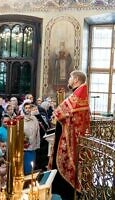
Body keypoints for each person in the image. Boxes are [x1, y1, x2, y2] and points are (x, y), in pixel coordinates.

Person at [50, 70, 90, 199]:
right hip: (74, 135)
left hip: (71, 138)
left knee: (69, 167)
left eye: (70, 78)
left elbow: (61, 112)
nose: (69, 80)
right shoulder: (80, 93)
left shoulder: (79, 93)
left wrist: (56, 113)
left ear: (76, 80)